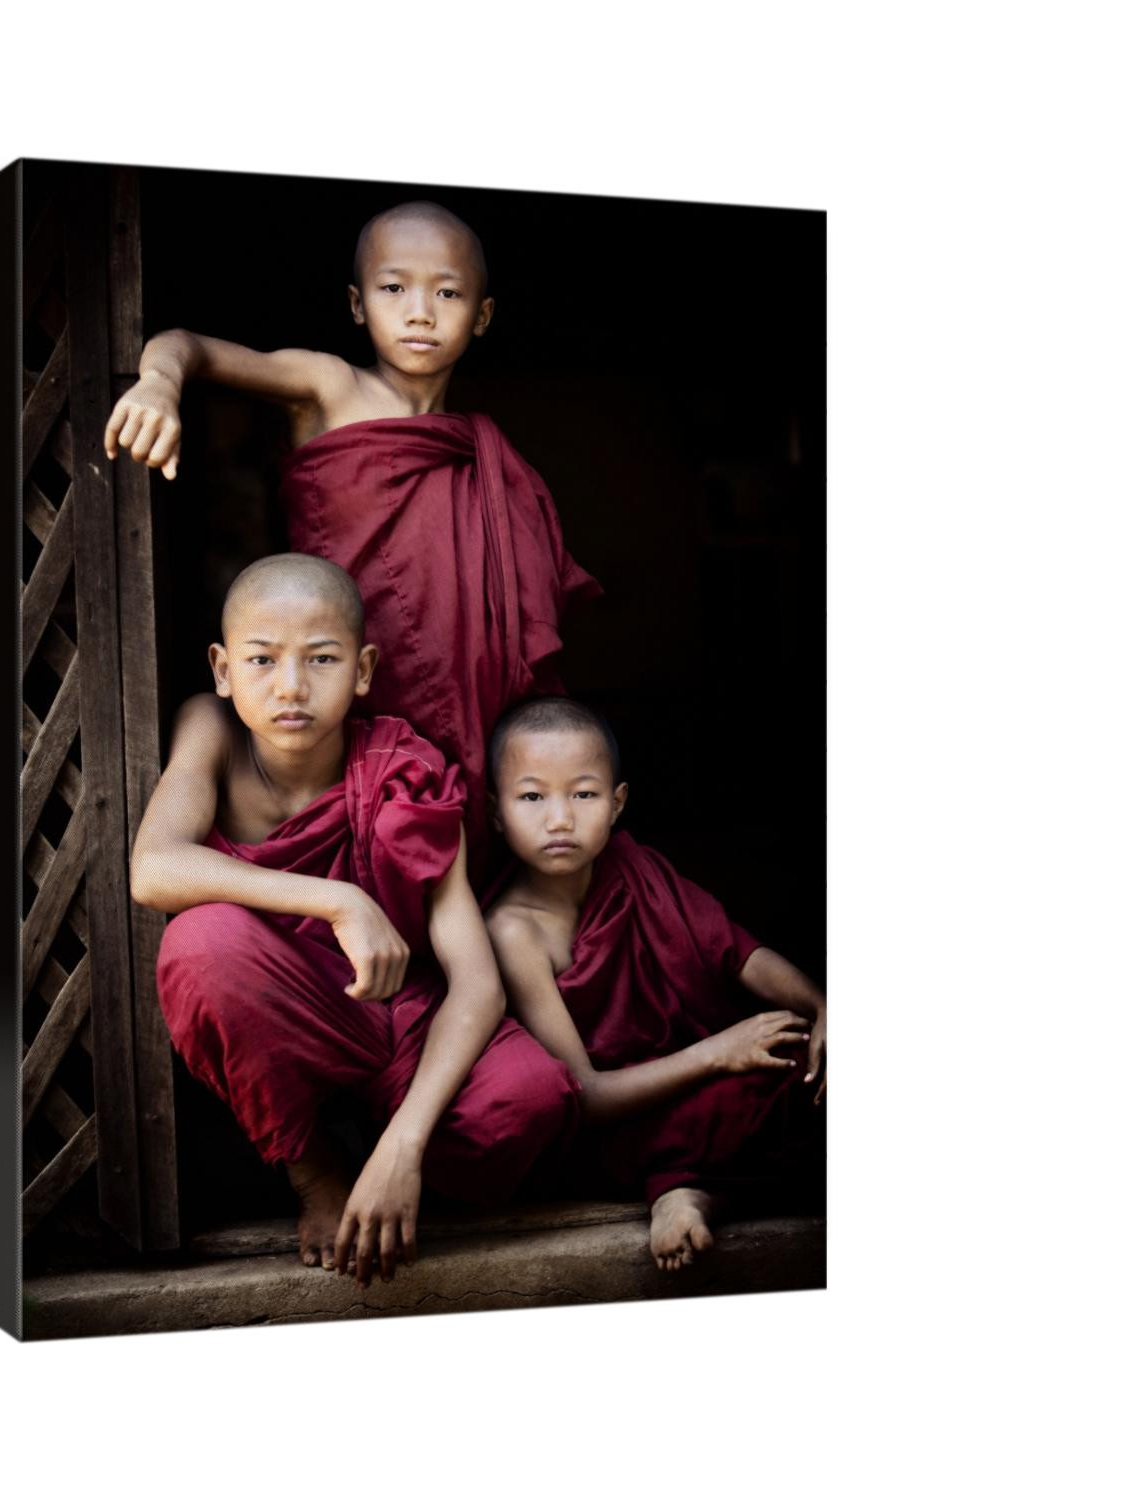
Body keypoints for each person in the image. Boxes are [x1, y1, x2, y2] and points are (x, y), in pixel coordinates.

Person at [130, 554, 579, 1288]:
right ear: (221, 668)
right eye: (262, 659)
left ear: (364, 669)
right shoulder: (210, 728)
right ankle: (316, 1170)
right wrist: (339, 898)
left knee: (529, 1100)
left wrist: (402, 1148)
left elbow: (477, 985)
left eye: (322, 659)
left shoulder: (403, 768)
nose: (291, 686)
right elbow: (154, 868)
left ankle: (386, 1162)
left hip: (403, 1022)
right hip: (288, 1012)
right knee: (201, 946)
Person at [104, 200, 600, 864]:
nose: (419, 310)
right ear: (358, 303)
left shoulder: (483, 453)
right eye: (394, 288)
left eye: (447, 292)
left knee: (475, 843)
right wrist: (158, 384)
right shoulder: (330, 387)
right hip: (351, 683)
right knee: (377, 833)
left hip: (473, 696)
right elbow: (186, 345)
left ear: (481, 315)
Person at [484, 697, 826, 1272]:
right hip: (618, 1123)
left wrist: (822, 1006)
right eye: (532, 796)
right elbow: (585, 1097)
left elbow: (737, 954)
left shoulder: (633, 866)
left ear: (618, 803)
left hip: (688, 1079)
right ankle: (680, 1192)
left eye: (584, 794)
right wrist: (717, 1054)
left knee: (808, 1071)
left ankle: (689, 1191)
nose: (560, 818)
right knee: (737, 1106)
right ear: (496, 812)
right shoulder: (512, 931)